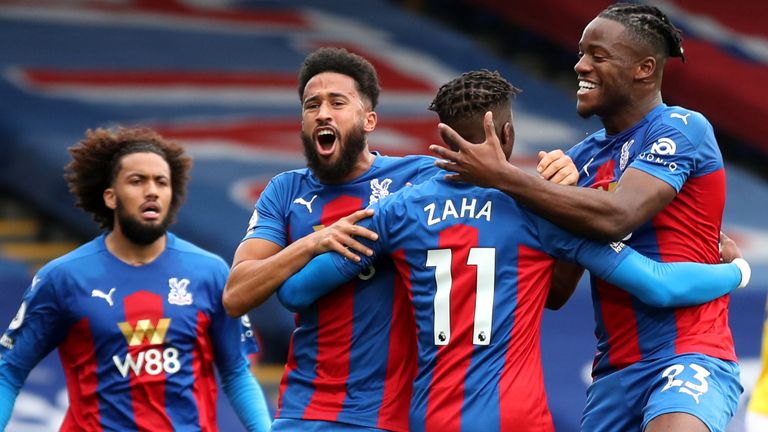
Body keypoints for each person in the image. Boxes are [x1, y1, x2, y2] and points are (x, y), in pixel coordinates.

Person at [274, 69, 751, 432]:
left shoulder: (397, 213)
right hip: (515, 416)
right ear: (506, 136)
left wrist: (317, 241)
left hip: (430, 415)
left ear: (444, 139)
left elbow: (296, 292)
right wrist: (735, 272)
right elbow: (657, 285)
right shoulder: (537, 213)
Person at [221, 49, 578, 432]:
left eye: (337, 102)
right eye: (312, 105)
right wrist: (314, 242)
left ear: (369, 119)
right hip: (309, 410)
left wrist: (558, 179)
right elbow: (237, 294)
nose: (323, 112)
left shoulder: (419, 182)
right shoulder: (284, 191)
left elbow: (494, 183)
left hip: (396, 414)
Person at [430, 4, 742, 432]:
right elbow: (558, 290)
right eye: (581, 53)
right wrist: (555, 200)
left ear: (644, 69)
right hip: (613, 373)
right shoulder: (582, 159)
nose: (580, 65)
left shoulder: (682, 127)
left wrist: (509, 179)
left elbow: (621, 215)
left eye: (598, 55)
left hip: (688, 355)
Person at [0, 128, 270, 431]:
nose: (151, 190)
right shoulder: (63, 278)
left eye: (161, 182)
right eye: (137, 181)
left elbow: (236, 372)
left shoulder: (211, 273)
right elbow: (9, 370)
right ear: (110, 197)